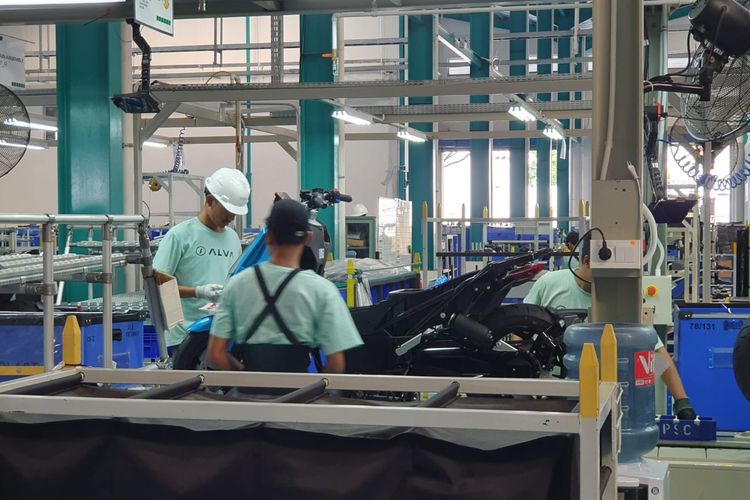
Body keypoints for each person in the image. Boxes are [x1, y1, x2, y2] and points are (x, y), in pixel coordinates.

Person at [524, 234, 697, 420]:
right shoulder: (549, 284)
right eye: (604, 272)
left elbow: (654, 350)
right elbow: (520, 329)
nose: (609, 281)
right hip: (550, 388)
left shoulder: (619, 298)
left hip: (601, 394)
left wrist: (681, 400)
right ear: (587, 261)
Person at [207, 198, 363, 373]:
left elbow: (215, 355)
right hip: (299, 390)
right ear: (308, 238)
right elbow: (337, 364)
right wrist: (311, 387)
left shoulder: (237, 285)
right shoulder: (322, 290)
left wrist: (244, 377)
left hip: (249, 389)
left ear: (268, 237)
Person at [153, 167, 250, 351]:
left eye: (235, 212)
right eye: (227, 210)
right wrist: (198, 292)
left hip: (220, 333)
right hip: (184, 336)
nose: (231, 217)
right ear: (210, 201)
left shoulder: (232, 238)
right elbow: (156, 287)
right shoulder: (180, 236)